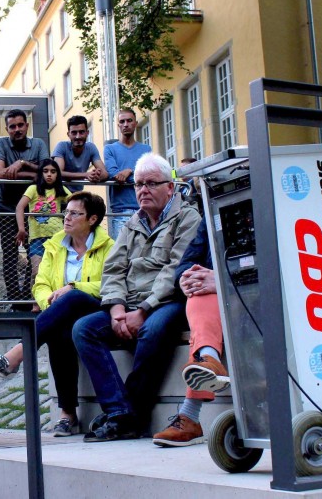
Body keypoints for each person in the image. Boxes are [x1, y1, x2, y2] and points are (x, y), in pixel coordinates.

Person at [72, 153, 201, 442]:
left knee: (153, 330)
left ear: (170, 187)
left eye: (150, 184)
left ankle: (133, 414)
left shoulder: (188, 217)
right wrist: (117, 308)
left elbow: (175, 270)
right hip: (128, 303)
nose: (142, 190)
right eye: (138, 184)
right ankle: (119, 413)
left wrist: (142, 310)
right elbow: (114, 268)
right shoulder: (133, 221)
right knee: (84, 328)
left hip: (167, 302)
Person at [0, 192, 114, 436]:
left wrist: (72, 288)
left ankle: (17, 353)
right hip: (62, 316)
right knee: (58, 334)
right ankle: (68, 414)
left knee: (74, 296)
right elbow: (41, 284)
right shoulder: (54, 245)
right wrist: (50, 301)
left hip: (96, 310)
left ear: (92, 219)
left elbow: (111, 284)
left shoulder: (109, 247)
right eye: (66, 212)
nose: (66, 218)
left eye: (75, 213)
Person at [151, 219, 229, 447]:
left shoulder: (276, 199)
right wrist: (186, 279)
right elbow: (185, 264)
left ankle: (191, 415)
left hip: (261, 287)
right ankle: (208, 361)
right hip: (214, 295)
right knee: (198, 294)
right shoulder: (211, 206)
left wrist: (223, 277)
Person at [0, 109, 50, 306]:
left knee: (34, 254)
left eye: (20, 125)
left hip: (33, 211)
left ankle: (26, 297)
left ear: (27, 125)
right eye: (12, 126)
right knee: (10, 256)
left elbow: (46, 173)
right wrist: (31, 172)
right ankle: (15, 301)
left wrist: (21, 163)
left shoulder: (38, 144)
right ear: (7, 129)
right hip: (6, 209)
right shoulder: (0, 144)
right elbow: (0, 174)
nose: (17, 129)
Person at [15, 159, 72, 279]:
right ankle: (38, 298)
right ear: (41, 173)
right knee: (37, 273)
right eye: (45, 171)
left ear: (57, 174)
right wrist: (21, 228)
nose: (49, 174)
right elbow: (20, 207)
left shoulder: (60, 190)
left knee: (57, 273)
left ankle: (55, 297)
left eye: (53, 171)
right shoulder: (33, 189)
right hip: (37, 238)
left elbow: (76, 202)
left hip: (57, 237)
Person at [103, 109, 153, 240]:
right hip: (120, 211)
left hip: (144, 209)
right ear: (118, 125)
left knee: (144, 253)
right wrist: (136, 176)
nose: (126, 124)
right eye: (122, 121)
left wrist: (129, 171)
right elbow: (113, 174)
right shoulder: (110, 149)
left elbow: (148, 176)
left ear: (135, 123)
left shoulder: (146, 149)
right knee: (121, 256)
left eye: (129, 121)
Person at [52, 115, 108, 192]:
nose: (78, 136)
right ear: (68, 134)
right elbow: (57, 172)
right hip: (58, 195)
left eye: (81, 132)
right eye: (74, 133)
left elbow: (105, 173)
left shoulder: (91, 148)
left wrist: (96, 175)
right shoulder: (61, 146)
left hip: (77, 195)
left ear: (87, 133)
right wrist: (86, 175)